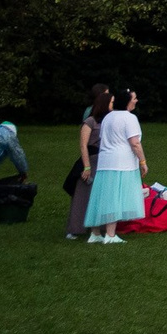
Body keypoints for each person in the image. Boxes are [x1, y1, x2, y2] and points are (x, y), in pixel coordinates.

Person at [85, 93, 148, 243]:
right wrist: (143, 161)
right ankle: (111, 235)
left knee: (102, 196)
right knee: (115, 196)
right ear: (127, 102)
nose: (136, 100)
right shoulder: (129, 118)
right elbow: (134, 143)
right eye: (134, 98)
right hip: (122, 163)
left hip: (105, 161)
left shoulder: (108, 117)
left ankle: (95, 233)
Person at [64, 85, 109, 238]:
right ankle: (74, 229)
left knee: (101, 194)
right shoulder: (90, 121)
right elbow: (83, 145)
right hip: (91, 159)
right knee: (82, 194)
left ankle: (100, 227)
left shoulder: (107, 120)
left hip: (103, 160)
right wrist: (86, 166)